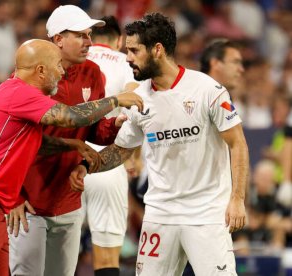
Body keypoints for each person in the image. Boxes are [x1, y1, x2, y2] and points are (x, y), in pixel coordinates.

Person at [70, 13, 249, 275]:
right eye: (127, 49)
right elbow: (122, 150)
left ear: (157, 50)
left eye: (134, 50)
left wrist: (237, 199)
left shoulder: (207, 90)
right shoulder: (139, 98)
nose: (128, 57)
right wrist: (87, 165)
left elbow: (238, 144)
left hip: (205, 215)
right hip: (159, 215)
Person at [0, 39, 142, 276]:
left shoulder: (19, 94)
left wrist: (72, 144)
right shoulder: (20, 92)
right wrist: (116, 100)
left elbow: (36, 142)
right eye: (58, 66)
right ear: (40, 70)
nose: (61, 72)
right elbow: (70, 116)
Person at [7, 6, 136, 276]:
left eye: (89, 35)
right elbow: (11, 139)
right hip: (30, 201)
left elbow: (92, 130)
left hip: (69, 199)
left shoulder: (92, 72)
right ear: (58, 40)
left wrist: (114, 124)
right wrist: (13, 196)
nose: (89, 42)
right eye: (80, 35)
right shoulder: (32, 77)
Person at [82, 15, 138, 276]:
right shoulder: (127, 63)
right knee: (106, 259)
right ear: (119, 41)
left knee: (60, 253)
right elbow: (137, 108)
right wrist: (133, 156)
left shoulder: (72, 59)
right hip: (107, 163)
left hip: (67, 160)